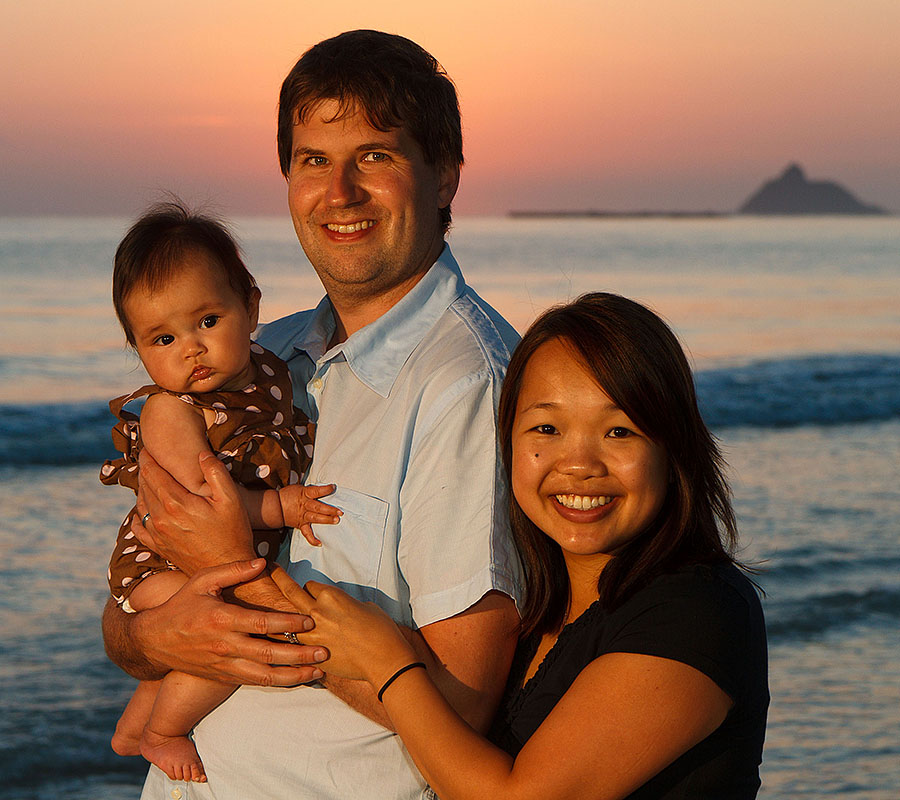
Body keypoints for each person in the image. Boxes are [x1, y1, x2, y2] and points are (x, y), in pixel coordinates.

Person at [101, 30, 523, 799]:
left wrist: (240, 571)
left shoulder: (469, 387)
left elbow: (459, 704)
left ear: (444, 179)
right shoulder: (254, 359)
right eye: (313, 161)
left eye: (375, 156)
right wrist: (150, 632)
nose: (339, 193)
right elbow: (132, 608)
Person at [272, 293, 770, 799]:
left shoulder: (698, 611)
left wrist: (388, 664)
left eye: (619, 431)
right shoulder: (536, 605)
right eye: (546, 428)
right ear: (507, 443)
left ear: (674, 447)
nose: (578, 464)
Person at [100, 201, 341, 782]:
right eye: (162, 338)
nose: (191, 348)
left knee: (214, 629)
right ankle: (164, 730)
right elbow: (204, 510)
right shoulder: (169, 411)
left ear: (250, 305)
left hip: (201, 557)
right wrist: (282, 505)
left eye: (207, 321)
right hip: (159, 562)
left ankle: (136, 724)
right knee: (228, 633)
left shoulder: (271, 370)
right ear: (136, 347)